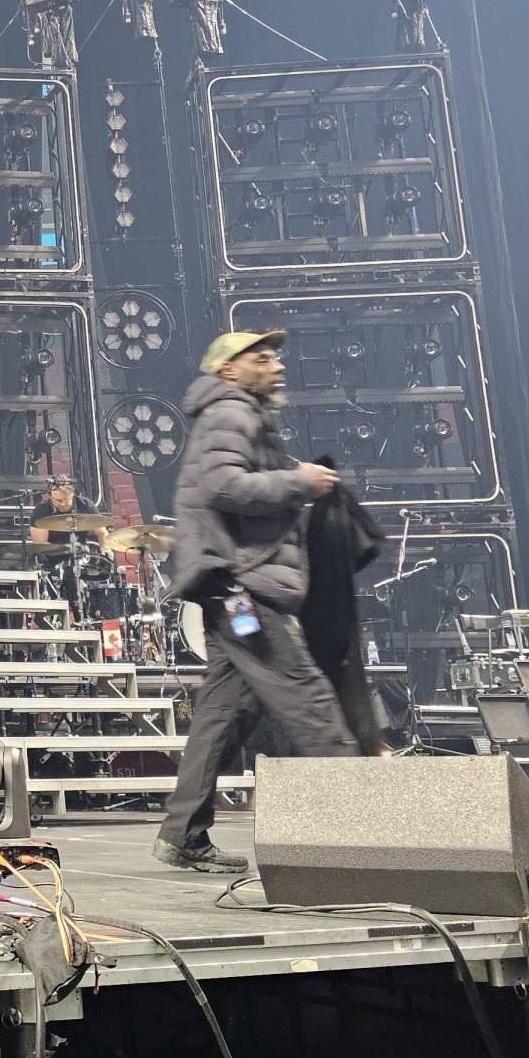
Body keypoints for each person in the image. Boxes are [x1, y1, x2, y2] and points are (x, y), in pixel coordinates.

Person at [154, 331, 359, 874]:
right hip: (242, 589)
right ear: (229, 370)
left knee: (225, 713)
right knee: (306, 695)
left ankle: (183, 834)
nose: (276, 366)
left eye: (276, 357)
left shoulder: (235, 413)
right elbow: (224, 485)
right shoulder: (230, 412)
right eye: (261, 358)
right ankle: (366, 824)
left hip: (232, 589)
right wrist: (299, 481)